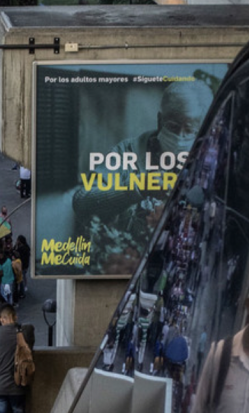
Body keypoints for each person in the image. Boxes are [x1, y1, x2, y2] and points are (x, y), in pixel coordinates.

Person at [71, 82, 213, 274]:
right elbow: (82, 202)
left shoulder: (207, 161)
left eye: (189, 130)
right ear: (159, 120)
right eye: (173, 126)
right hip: (126, 267)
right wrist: (138, 188)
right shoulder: (127, 152)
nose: (180, 137)